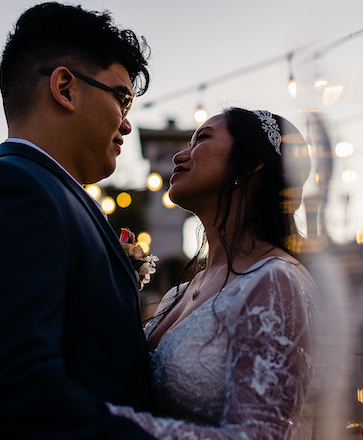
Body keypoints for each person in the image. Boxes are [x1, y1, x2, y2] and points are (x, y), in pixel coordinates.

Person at [0, 3, 157, 439]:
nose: (128, 123)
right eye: (122, 98)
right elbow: (5, 386)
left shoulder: (51, 197)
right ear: (65, 88)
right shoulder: (4, 192)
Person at [109, 107, 318, 439]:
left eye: (201, 140)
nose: (180, 156)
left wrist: (105, 423)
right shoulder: (176, 294)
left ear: (251, 165)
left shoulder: (275, 282)